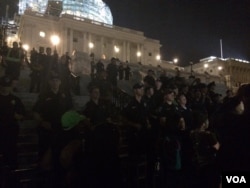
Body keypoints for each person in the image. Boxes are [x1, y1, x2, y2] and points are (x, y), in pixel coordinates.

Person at [33, 73, 73, 168]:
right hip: (48, 130)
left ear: (60, 82)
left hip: (61, 130)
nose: (55, 83)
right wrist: (42, 123)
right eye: (53, 81)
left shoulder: (65, 96)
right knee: (45, 154)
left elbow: (70, 110)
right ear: (49, 82)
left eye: (57, 81)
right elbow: (35, 112)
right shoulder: (44, 96)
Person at [0, 76, 25, 169]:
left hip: (11, 130)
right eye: (2, 85)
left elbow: (23, 114)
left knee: (11, 151)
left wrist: (19, 116)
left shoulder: (16, 99)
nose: (4, 88)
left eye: (6, 86)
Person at [190, 112, 220, 188]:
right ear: (203, 123)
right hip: (209, 163)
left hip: (196, 164)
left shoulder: (191, 134)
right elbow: (217, 148)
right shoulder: (209, 135)